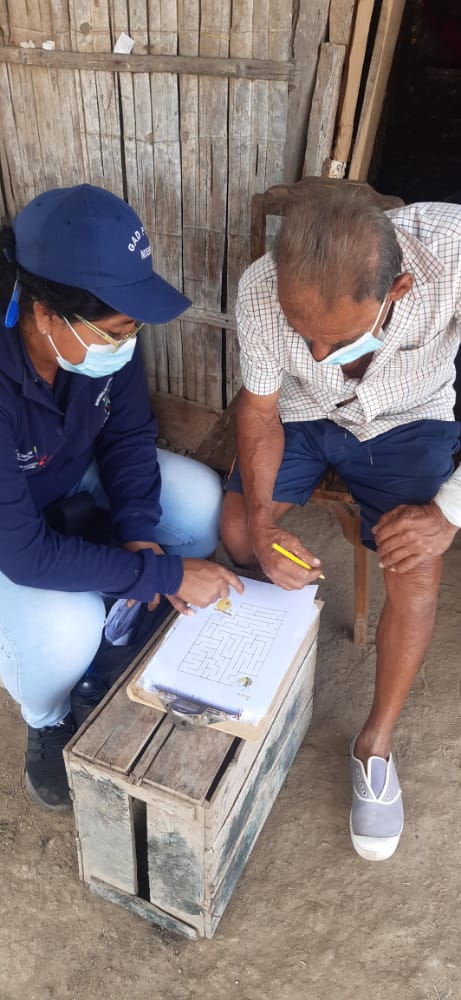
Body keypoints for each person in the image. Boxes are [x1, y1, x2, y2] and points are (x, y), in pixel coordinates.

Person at [220, 190, 461, 861]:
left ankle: (374, 745)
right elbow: (260, 411)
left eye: (339, 337)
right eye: (304, 334)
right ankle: (254, 676)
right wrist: (263, 525)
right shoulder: (262, 289)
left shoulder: (453, 254)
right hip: (301, 415)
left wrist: (447, 512)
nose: (318, 348)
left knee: (415, 568)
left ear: (398, 290)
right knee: (237, 529)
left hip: (408, 418)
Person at [0, 183, 242, 812]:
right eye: (116, 330)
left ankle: (123, 618)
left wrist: (138, 536)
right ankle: (48, 716)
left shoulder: (99, 340)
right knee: (63, 629)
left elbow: (129, 435)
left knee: (200, 503)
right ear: (44, 313)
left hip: (65, 470)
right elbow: (23, 553)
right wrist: (161, 573)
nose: (128, 340)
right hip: (9, 532)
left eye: (132, 326)